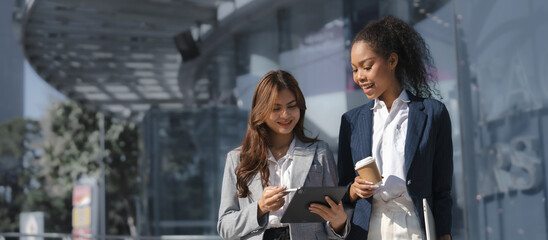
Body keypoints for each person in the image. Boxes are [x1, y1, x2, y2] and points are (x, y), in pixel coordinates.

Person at [337, 16, 453, 240]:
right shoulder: (351, 121)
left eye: (367, 67)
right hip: (367, 228)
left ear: (392, 61)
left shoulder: (432, 113)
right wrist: (353, 191)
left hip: (415, 226)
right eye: (354, 69)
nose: (360, 77)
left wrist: (445, 234)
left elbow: (442, 188)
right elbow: (342, 188)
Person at [217, 70, 350, 240]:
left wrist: (339, 222)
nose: (286, 115)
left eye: (292, 106)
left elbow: (332, 223)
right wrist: (260, 207)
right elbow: (225, 227)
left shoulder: (320, 152)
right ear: (261, 111)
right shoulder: (237, 159)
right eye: (276, 108)